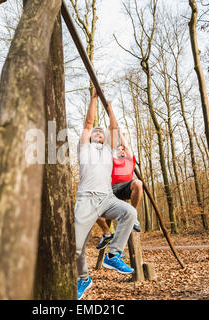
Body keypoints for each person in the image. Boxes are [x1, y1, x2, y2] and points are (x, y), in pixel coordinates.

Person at [75, 90, 137, 300]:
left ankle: (113, 255)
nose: (99, 133)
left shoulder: (109, 150)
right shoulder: (84, 148)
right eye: (96, 132)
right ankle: (83, 278)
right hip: (86, 199)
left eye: (102, 132)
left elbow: (114, 128)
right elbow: (88, 123)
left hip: (107, 198)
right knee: (75, 246)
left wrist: (109, 108)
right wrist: (93, 99)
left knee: (129, 212)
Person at [95, 132, 143, 250]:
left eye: (123, 150)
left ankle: (133, 215)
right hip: (110, 190)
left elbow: (125, 145)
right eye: (119, 150)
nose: (122, 151)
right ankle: (107, 234)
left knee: (138, 183)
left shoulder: (130, 159)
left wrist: (120, 132)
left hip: (126, 187)